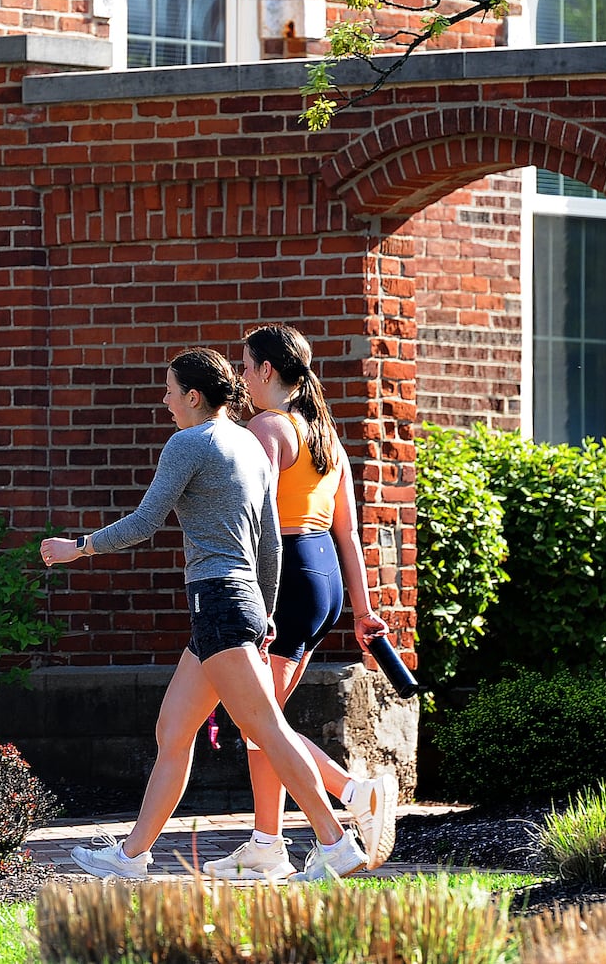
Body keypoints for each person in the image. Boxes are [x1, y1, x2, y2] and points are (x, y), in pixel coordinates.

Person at [41, 347, 368, 882]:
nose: (165, 400)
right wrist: (264, 612)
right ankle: (132, 857)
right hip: (231, 606)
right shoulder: (249, 443)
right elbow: (269, 544)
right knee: (174, 728)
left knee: (266, 729)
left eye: (170, 390)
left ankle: (335, 843)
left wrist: (78, 547)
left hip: (217, 603)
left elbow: (145, 522)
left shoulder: (188, 443)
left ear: (194, 396)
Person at [202, 324, 399, 882]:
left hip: (283, 575)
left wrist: (253, 600)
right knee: (264, 720)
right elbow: (348, 534)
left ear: (268, 371)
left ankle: (355, 792)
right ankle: (267, 844)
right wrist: (361, 610)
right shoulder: (326, 436)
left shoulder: (267, 427)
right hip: (323, 580)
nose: (240, 377)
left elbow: (251, 518)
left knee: (260, 719)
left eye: (245, 366)